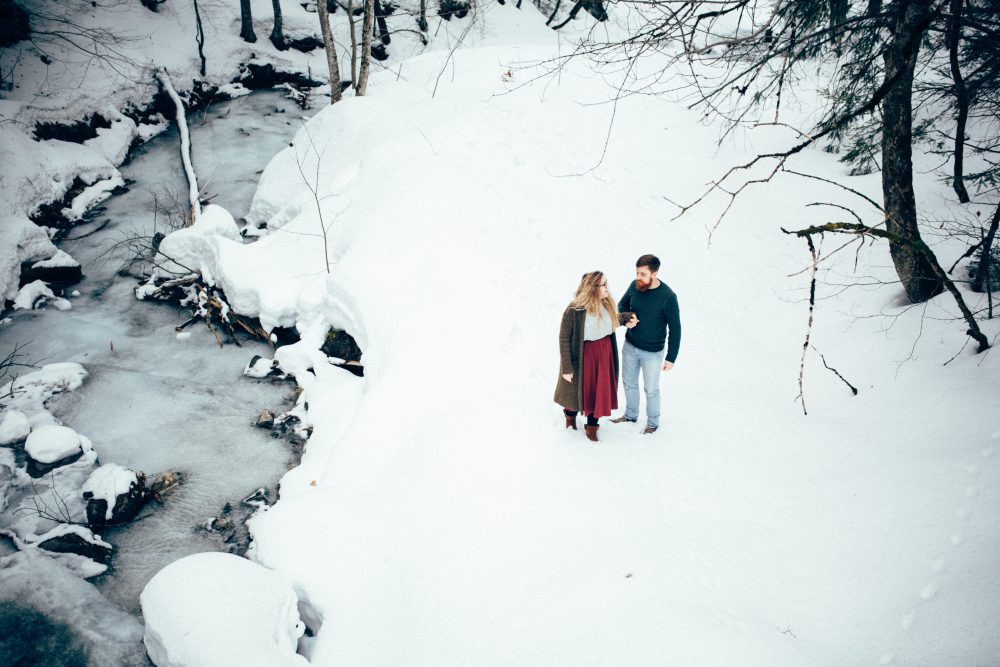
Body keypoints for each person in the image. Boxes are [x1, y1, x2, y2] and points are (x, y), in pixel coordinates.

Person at [554, 271, 636, 443]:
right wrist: (567, 367)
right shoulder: (574, 309)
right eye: (603, 285)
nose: (607, 288)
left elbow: (611, 321)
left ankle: (592, 427)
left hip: (604, 356)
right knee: (575, 392)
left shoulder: (606, 305)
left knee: (598, 392)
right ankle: (570, 418)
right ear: (592, 288)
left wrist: (625, 318)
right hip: (583, 357)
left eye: (606, 283)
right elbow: (564, 338)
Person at [612, 254, 681, 434]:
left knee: (651, 389)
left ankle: (652, 423)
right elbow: (621, 304)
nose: (638, 277)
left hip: (652, 352)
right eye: (637, 272)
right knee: (628, 383)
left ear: (655, 273)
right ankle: (630, 415)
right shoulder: (634, 286)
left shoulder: (668, 296)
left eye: (643, 274)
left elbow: (676, 329)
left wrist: (671, 357)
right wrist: (627, 318)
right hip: (630, 345)